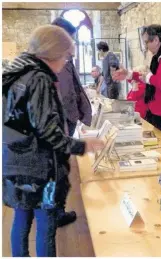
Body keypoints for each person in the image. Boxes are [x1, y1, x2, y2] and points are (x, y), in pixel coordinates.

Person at [2, 25, 104, 257]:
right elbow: (47, 132)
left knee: (21, 219)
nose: (66, 62)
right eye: (67, 56)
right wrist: (82, 145)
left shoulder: (15, 72)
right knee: (46, 225)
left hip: (15, 160)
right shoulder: (38, 78)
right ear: (53, 52)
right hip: (38, 167)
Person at [52, 17, 93, 228]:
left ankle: (56, 210)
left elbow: (74, 86)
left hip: (67, 120)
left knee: (61, 169)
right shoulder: (50, 60)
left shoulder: (62, 56)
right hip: (58, 124)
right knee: (57, 171)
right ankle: (55, 213)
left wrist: (82, 113)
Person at [52, 17, 92, 137]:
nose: (72, 42)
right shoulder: (54, 58)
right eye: (70, 38)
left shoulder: (64, 56)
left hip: (69, 117)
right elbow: (62, 92)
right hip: (62, 119)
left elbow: (71, 84)